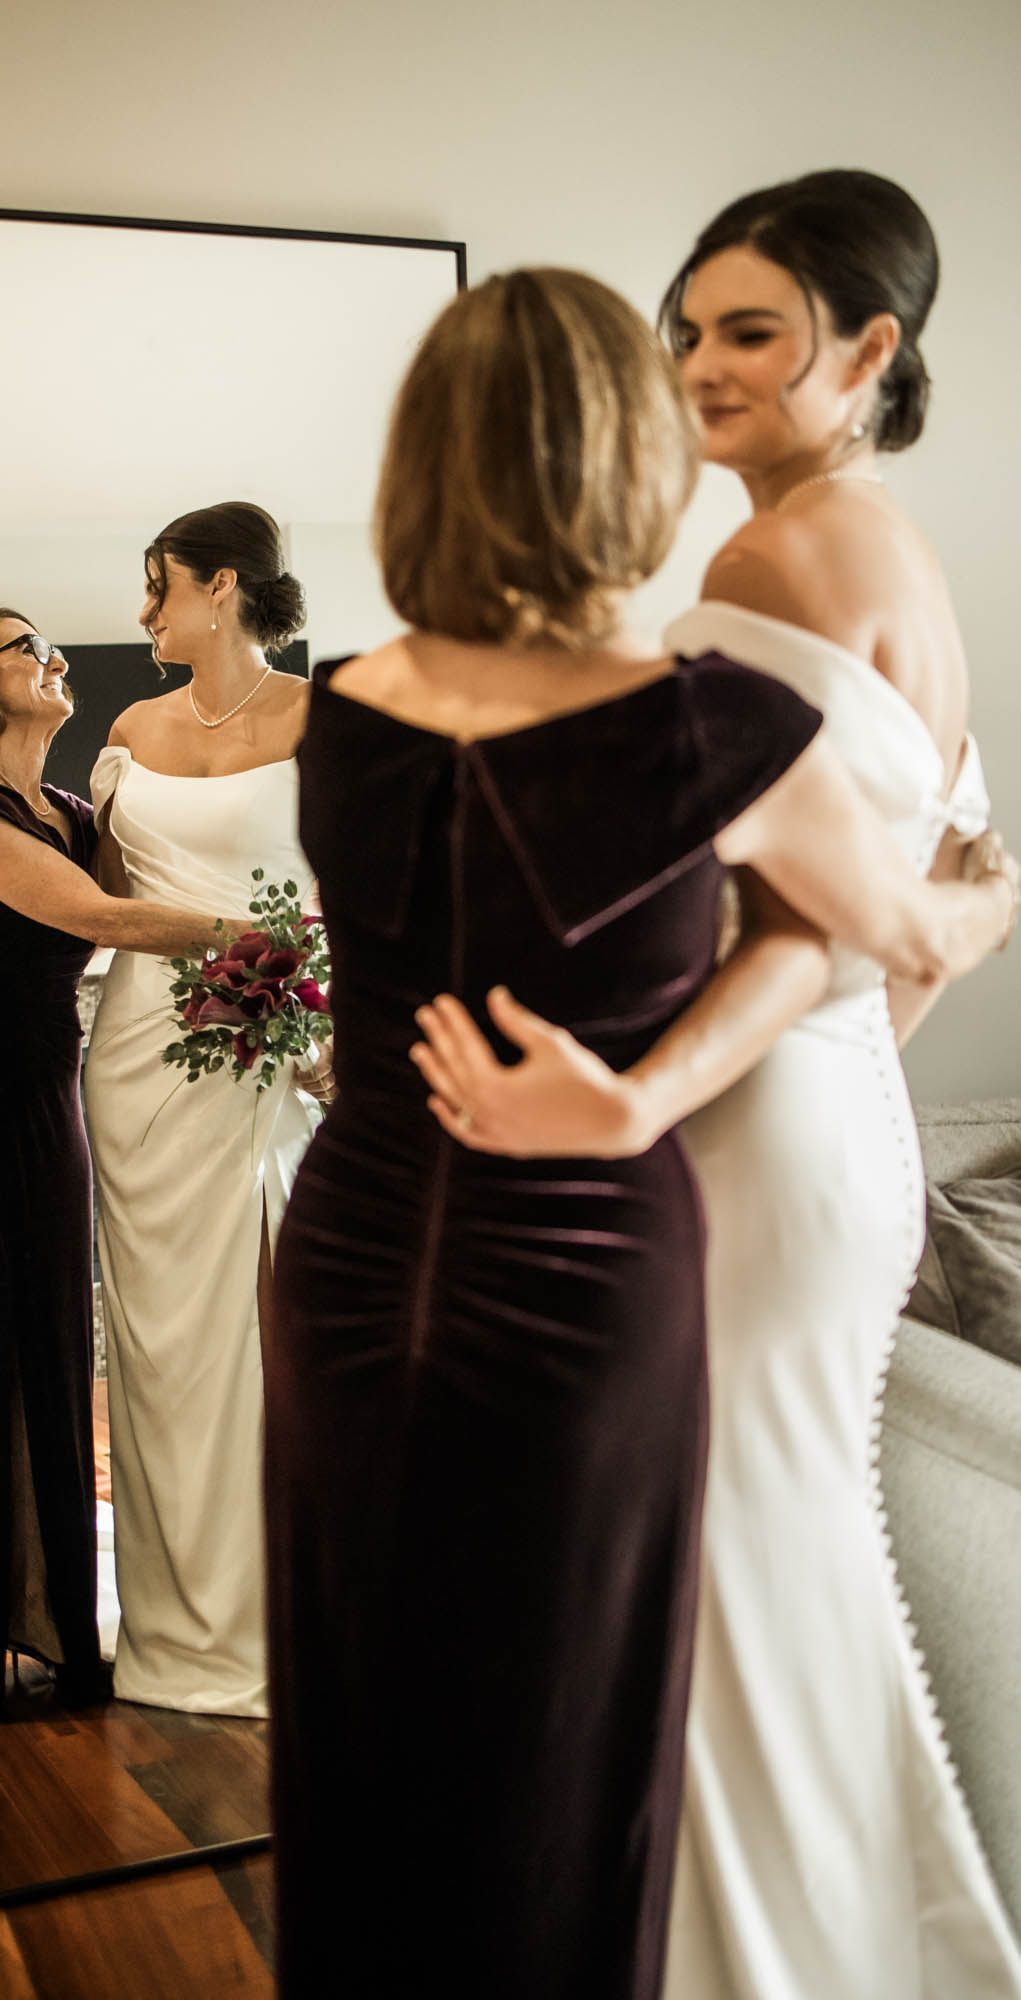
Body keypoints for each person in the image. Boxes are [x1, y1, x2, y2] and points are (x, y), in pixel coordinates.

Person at [262, 265, 1017, 2000]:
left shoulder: (345, 708)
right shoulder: (704, 727)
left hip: (350, 1255)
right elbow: (893, 931)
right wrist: (984, 899)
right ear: (623, 462)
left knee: (365, 1719)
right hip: (575, 1271)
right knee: (562, 1749)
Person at [0, 608, 232, 1723]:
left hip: (52, 1080)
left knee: (54, 1334)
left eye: (49, 647)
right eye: (25, 648)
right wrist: (257, 937)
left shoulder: (67, 807)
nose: (52, 660)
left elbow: (138, 887)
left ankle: (59, 1631)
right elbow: (98, 915)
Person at [83, 501, 326, 1718]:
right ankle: (172, 1627)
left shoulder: (323, 722)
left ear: (222, 587)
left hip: (280, 1050)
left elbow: (366, 894)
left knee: (275, 1328)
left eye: (159, 587)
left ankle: (283, 1617)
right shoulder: (129, 731)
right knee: (162, 1345)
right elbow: (109, 901)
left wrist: (329, 1020)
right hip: (142, 1053)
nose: (145, 613)